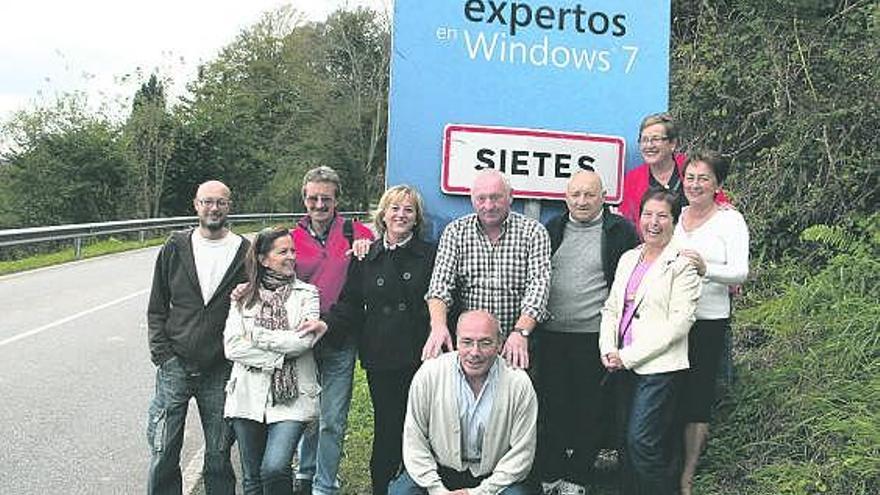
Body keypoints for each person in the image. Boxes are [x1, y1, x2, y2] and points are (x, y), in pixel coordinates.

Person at [323, 185, 437, 495]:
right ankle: (383, 487)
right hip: (382, 357)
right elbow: (349, 302)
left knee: (421, 428)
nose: (401, 215)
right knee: (387, 427)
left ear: (416, 219)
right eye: (395, 208)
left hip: (421, 355)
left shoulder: (430, 254)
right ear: (383, 215)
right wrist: (325, 327)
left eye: (408, 210)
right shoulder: (366, 255)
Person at [537, 170, 639, 495]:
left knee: (590, 408)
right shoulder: (552, 228)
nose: (581, 201)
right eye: (576, 194)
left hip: (593, 336)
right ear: (566, 196)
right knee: (551, 405)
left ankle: (578, 476)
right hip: (550, 334)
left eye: (589, 195)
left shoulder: (620, 231)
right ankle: (551, 471)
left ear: (603, 196)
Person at [146, 180, 249, 495]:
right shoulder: (175, 247)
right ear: (196, 205)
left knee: (218, 453)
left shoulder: (245, 251)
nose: (213, 208)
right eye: (207, 202)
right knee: (164, 449)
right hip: (175, 364)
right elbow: (157, 304)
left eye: (220, 202)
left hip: (220, 367)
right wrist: (162, 355)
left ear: (229, 206)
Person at [599, 189, 702, 495]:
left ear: (674, 220)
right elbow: (612, 307)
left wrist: (628, 356)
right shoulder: (630, 257)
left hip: (658, 368)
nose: (653, 223)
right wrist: (608, 349)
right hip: (620, 364)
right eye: (647, 214)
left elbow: (678, 324)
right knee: (624, 445)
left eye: (662, 216)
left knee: (642, 442)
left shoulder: (683, 263)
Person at [389, 310, 538, 495]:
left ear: (500, 344)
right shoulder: (429, 374)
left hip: (495, 476)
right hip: (439, 471)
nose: (474, 352)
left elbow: (522, 454)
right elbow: (414, 441)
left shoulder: (518, 383)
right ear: (456, 341)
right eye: (467, 342)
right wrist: (437, 490)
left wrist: (479, 492)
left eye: (485, 343)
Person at [223, 227, 324, 495]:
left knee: (275, 467)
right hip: (247, 395)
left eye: (293, 250)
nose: (292, 256)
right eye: (283, 251)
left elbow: (303, 342)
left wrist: (256, 335)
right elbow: (232, 347)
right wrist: (280, 352)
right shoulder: (243, 296)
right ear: (263, 259)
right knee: (252, 478)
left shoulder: (308, 293)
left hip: (292, 398)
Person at [673, 151, 749, 495]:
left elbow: (740, 271)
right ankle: (662, 468)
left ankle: (686, 477)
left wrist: (707, 269)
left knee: (697, 397)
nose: (695, 184)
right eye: (690, 177)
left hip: (707, 321)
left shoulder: (730, 220)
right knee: (668, 393)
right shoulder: (676, 213)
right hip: (670, 320)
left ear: (718, 184)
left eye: (703, 178)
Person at [423, 169, 551, 369]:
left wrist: (521, 332)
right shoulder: (456, 232)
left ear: (510, 197)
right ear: (472, 199)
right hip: (471, 348)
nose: (488, 205)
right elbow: (439, 287)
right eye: (481, 198)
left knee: (515, 398)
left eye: (496, 198)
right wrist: (438, 326)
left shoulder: (533, 232)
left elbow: (538, 287)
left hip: (516, 342)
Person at [618, 113, 729, 226]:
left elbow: (720, 205)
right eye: (644, 140)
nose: (649, 145)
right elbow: (627, 224)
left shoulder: (692, 167)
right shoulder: (632, 180)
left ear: (672, 144)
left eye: (655, 139)